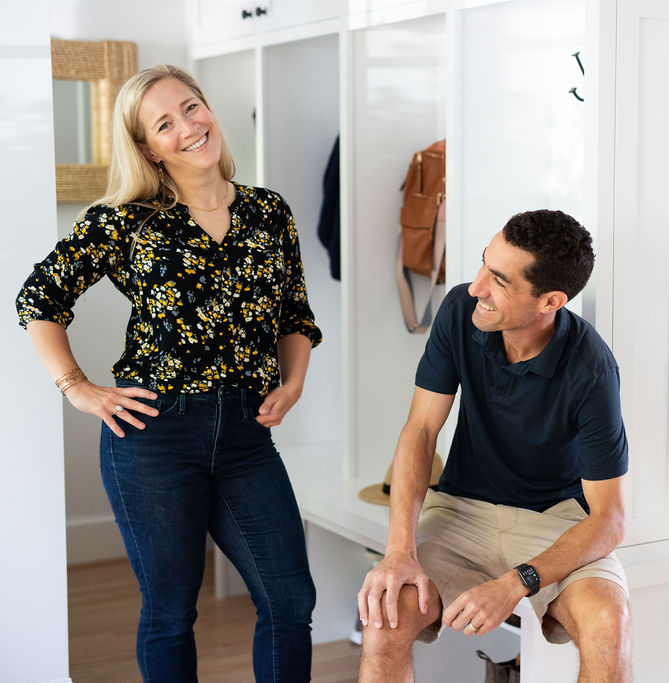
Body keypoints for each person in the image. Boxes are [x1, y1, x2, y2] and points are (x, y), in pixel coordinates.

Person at [16, 65, 320, 683]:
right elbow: (38, 299)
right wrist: (77, 388)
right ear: (148, 148)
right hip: (154, 436)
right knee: (171, 612)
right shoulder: (124, 221)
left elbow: (294, 313)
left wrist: (293, 383)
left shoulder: (268, 211)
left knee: (290, 601)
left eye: (191, 107)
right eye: (164, 123)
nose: (187, 127)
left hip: (246, 436)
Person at [357, 210, 632, 682]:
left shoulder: (592, 368)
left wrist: (516, 583)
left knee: (609, 623)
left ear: (550, 301)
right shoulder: (459, 311)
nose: (476, 287)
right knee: (385, 617)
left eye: (499, 280)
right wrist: (398, 549)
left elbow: (609, 519)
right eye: (484, 263)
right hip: (461, 511)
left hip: (556, 521)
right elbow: (421, 430)